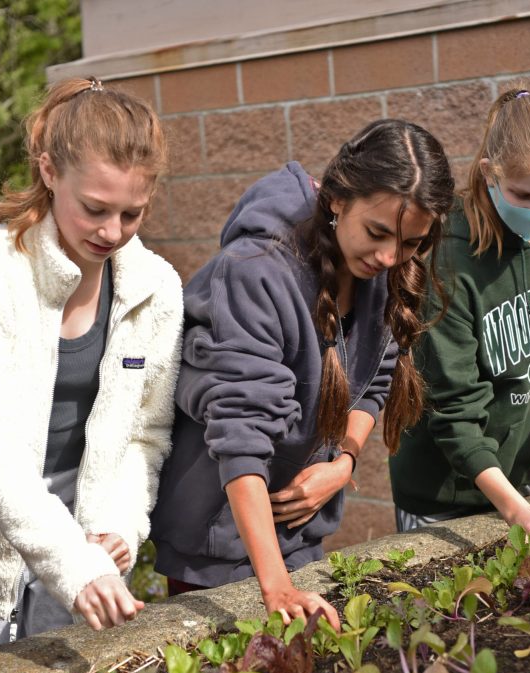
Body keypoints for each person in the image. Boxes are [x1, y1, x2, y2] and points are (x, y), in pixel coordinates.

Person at [150, 119, 455, 629]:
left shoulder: (386, 273)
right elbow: (240, 435)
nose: (387, 257)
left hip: (298, 530)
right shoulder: (257, 271)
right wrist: (279, 588)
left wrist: (345, 463)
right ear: (337, 200)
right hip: (220, 536)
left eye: (409, 244)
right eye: (376, 233)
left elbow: (374, 382)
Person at [0, 77, 183, 649]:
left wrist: (118, 525)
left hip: (85, 554)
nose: (111, 233)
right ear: (49, 171)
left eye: (132, 214)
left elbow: (146, 433)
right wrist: (74, 562)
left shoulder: (157, 288)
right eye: (95, 209)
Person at [389, 88, 530, 553]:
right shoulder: (445, 256)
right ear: (490, 173)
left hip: (514, 476)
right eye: (523, 194)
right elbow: (453, 407)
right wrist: (514, 509)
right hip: (439, 489)